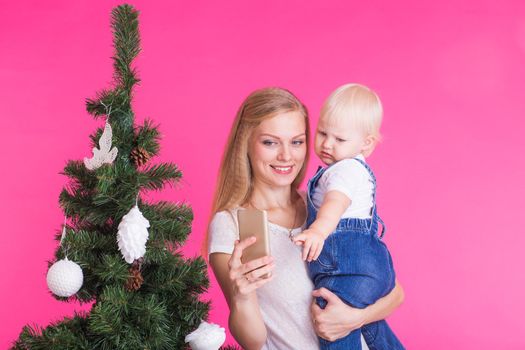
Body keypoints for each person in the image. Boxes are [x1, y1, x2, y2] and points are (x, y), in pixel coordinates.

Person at [204, 87, 404, 350]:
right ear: (246, 144)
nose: (286, 155)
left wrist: (353, 319)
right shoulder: (232, 224)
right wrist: (242, 296)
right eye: (270, 142)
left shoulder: (322, 208)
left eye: (296, 141)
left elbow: (395, 293)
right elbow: (253, 342)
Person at [293, 83, 404, 349]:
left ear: (366, 143)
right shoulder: (351, 169)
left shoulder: (345, 171)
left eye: (339, 139)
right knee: (367, 323)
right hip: (372, 270)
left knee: (330, 315)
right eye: (322, 133)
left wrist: (319, 230)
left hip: (347, 270)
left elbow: (336, 202)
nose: (327, 144)